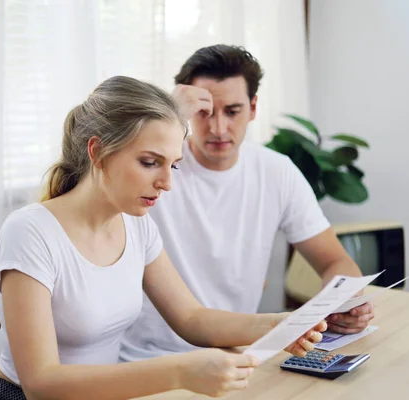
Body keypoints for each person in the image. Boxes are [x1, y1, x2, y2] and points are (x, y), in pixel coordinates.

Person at [0, 75, 326, 400]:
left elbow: (191, 319)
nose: (166, 183)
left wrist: (278, 325)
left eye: (172, 165)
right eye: (149, 162)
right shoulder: (30, 232)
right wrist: (179, 371)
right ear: (97, 152)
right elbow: (41, 383)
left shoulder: (137, 226)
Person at [120, 45, 374, 363]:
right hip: (149, 358)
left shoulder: (275, 171)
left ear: (253, 108)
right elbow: (93, 173)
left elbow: (334, 261)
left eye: (232, 111)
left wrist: (344, 301)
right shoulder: (152, 168)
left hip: (235, 355)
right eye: (204, 111)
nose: (218, 128)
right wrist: (165, 114)